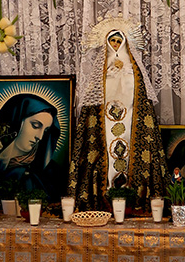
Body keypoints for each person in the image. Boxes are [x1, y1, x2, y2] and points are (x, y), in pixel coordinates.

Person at [69, 17, 168, 211]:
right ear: (106, 42)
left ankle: (131, 196)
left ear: (125, 42)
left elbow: (141, 96)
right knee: (107, 152)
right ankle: (106, 196)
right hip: (106, 120)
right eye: (112, 40)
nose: (115, 44)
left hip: (130, 118)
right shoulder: (101, 68)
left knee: (128, 152)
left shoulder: (133, 68)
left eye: (118, 40)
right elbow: (94, 97)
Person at [0, 93, 62, 200]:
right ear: (17, 120)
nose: (40, 137)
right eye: (36, 125)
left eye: (45, 131)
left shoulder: (48, 172)